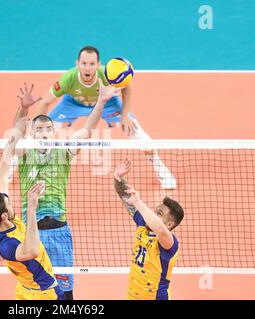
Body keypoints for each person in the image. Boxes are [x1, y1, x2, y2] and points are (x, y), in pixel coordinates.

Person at [13, 81, 121, 300]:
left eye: (47, 129)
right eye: (39, 130)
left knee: (66, 290)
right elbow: (14, 136)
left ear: (54, 132)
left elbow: (86, 130)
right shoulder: (25, 154)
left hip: (59, 231)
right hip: (31, 234)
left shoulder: (64, 152)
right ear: (32, 134)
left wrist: (101, 101)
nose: (43, 133)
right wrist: (24, 109)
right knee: (35, 287)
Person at [34, 46, 177, 190]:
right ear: (77, 63)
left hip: (108, 103)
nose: (87, 68)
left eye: (91, 64)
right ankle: (24, 165)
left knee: (138, 133)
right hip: (73, 104)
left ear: (98, 64)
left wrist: (125, 114)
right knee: (40, 133)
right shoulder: (67, 79)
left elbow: (127, 86)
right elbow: (45, 102)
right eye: (84, 63)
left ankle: (161, 169)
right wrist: (38, 128)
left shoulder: (107, 74)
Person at [0, 115, 64, 300]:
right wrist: (31, 209)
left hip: (24, 289)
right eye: (9, 203)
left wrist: (15, 135)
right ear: (4, 216)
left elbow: (2, 175)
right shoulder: (8, 245)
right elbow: (32, 251)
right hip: (43, 294)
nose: (10, 201)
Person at [113, 158, 184, 300]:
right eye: (155, 211)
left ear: (170, 224)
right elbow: (126, 196)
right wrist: (118, 178)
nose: (152, 214)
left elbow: (162, 231)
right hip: (132, 296)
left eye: (159, 214)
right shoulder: (143, 225)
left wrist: (138, 202)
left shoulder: (169, 243)